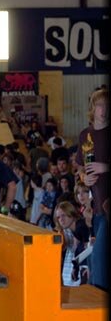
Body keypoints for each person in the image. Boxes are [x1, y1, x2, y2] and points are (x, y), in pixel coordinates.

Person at [76, 88, 109, 291]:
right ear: (92, 108)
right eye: (99, 106)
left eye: (106, 106)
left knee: (98, 256)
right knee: (97, 255)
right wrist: (83, 177)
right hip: (95, 205)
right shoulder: (85, 135)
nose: (103, 110)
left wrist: (105, 167)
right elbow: (80, 166)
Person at [53, 201, 91, 287]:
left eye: (63, 215)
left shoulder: (81, 226)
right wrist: (76, 267)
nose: (61, 220)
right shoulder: (75, 229)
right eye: (58, 217)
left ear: (71, 213)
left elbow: (89, 249)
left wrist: (88, 267)